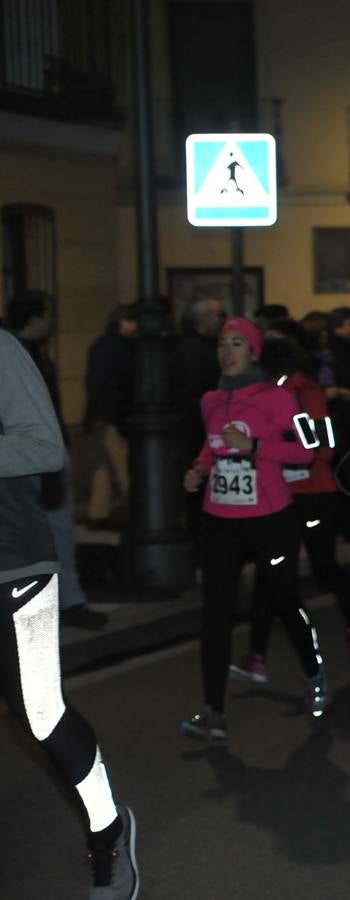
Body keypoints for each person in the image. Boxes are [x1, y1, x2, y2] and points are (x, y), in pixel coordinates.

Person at [0, 327, 139, 899]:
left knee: (39, 713)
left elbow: (44, 448)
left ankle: (108, 831)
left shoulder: (1, 349)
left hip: (13, 565)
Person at [180, 317, 328, 741]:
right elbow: (212, 445)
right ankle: (213, 711)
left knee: (283, 598)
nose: (227, 352)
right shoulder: (210, 400)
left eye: (237, 344)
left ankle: (314, 672)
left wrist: (256, 446)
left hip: (271, 518)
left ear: (254, 352)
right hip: (220, 519)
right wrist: (198, 469)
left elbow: (306, 451)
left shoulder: (278, 398)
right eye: (222, 344)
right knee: (215, 613)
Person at [229, 324, 350, 684]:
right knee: (271, 575)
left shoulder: (304, 392)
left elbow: (322, 449)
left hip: (314, 493)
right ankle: (256, 656)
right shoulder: (253, 395)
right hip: (276, 497)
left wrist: (278, 449)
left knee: (323, 566)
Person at [5, 290, 104, 628]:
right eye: (49, 314)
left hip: (42, 455)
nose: (54, 321)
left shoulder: (29, 353)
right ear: (34, 317)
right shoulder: (19, 354)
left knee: (56, 530)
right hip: (27, 462)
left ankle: (68, 600)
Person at [170, 297, 226, 571]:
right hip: (198, 432)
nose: (223, 320)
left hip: (201, 431)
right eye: (218, 315)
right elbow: (195, 395)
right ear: (203, 320)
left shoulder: (198, 348)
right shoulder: (193, 351)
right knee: (200, 493)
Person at [83, 304, 138, 529]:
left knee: (102, 467)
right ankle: (135, 511)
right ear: (124, 322)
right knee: (124, 465)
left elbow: (96, 384)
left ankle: (98, 513)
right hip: (113, 416)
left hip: (100, 415)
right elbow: (116, 386)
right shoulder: (120, 348)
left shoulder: (102, 345)